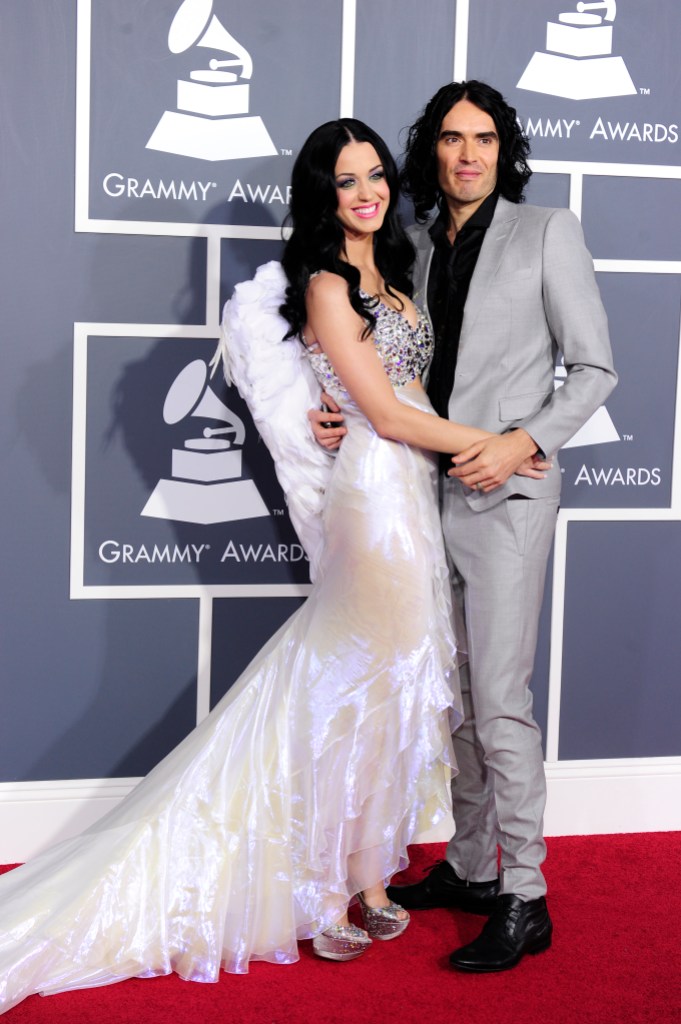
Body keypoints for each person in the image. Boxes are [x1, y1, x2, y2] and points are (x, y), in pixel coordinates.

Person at [0, 116, 550, 1014]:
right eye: (346, 181)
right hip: (376, 503)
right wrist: (500, 443)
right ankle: (319, 891)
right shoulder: (326, 284)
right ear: (320, 196)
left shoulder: (394, 267)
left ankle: (367, 878)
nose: (368, 190)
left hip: (413, 494)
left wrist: (374, 413)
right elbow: (394, 414)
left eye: (375, 173)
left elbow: (400, 395)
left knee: (389, 696)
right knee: (344, 696)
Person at [311, 82, 617, 973]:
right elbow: (380, 366)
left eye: (483, 138)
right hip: (414, 494)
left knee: (501, 702)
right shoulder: (404, 243)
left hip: (505, 492)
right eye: (450, 138)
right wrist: (328, 415)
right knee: (453, 701)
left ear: (502, 148)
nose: (467, 154)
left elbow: (594, 367)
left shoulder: (547, 231)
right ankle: (473, 863)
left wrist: (519, 439)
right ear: (431, 151)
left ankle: (525, 895)